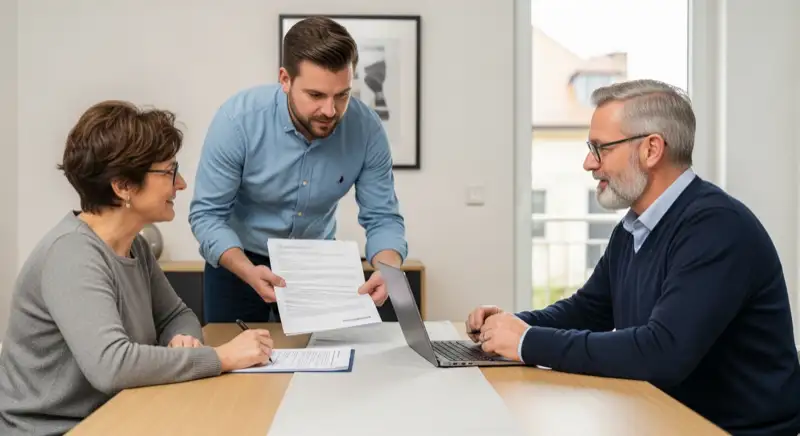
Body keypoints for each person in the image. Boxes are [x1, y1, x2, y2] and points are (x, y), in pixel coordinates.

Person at [466, 79, 800, 435]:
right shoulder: (633, 229)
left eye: (600, 148)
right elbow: (588, 310)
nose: (588, 163)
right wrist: (508, 326)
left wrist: (526, 342)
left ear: (651, 150)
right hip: (665, 418)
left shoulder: (716, 227)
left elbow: (662, 353)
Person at [0, 101, 275, 436]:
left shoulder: (135, 246)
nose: (181, 184)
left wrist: (183, 340)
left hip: (115, 413)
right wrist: (222, 358)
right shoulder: (71, 253)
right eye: (169, 172)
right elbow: (111, 366)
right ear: (123, 187)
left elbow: (176, 315)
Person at [189, 16, 407, 323]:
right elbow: (207, 215)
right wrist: (247, 270)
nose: (330, 110)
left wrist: (389, 270)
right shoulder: (237, 121)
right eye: (316, 95)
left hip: (316, 262)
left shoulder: (366, 129)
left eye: (342, 95)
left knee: (322, 352)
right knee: (234, 351)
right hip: (238, 262)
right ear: (285, 79)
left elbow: (382, 217)